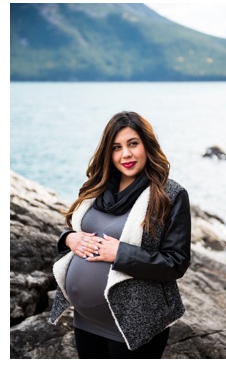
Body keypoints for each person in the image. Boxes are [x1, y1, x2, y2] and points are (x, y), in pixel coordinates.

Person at [48, 111, 191, 359]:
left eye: (132, 144)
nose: (125, 154)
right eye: (116, 147)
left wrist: (121, 253)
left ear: (147, 145)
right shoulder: (96, 186)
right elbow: (78, 231)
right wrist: (68, 239)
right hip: (85, 320)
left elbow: (176, 263)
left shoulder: (170, 195)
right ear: (108, 152)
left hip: (133, 325)